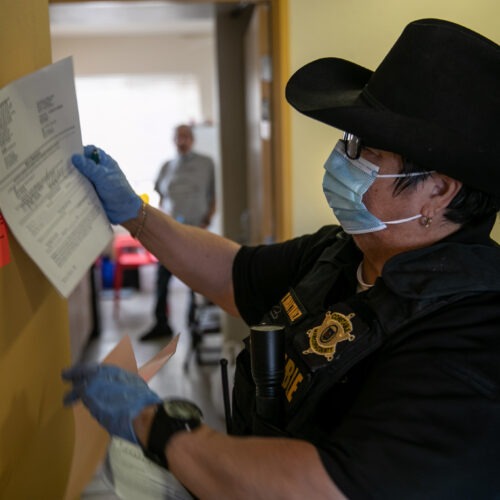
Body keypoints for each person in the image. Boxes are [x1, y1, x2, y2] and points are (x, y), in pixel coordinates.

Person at [63, 18, 500, 499]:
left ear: (437, 191)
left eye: (363, 150)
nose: (340, 159)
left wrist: (155, 426)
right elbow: (235, 273)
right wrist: (138, 215)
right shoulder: (341, 252)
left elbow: (324, 489)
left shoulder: (473, 331)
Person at [140, 124, 216, 341]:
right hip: (170, 233)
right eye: (178, 137)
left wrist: (206, 221)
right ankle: (161, 323)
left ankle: (195, 325)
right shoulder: (167, 166)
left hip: (195, 232)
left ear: (192, 139)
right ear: (174, 140)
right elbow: (161, 196)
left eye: (185, 137)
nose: (182, 141)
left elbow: (213, 196)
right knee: (162, 280)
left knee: (195, 281)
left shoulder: (206, 164)